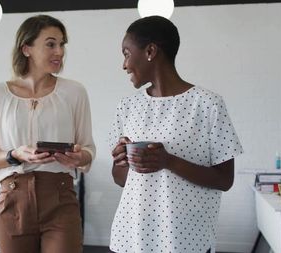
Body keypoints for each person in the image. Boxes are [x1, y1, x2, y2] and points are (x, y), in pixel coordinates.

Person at [109, 16, 243, 253]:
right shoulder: (127, 107)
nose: (124, 65)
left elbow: (225, 180)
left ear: (150, 51)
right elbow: (121, 179)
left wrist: (168, 161)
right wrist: (122, 161)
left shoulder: (207, 105)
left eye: (127, 53)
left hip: (186, 240)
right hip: (133, 237)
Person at [0, 15, 95, 253]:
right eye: (51, 44)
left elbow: (88, 148)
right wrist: (14, 154)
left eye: (62, 44)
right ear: (26, 48)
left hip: (60, 197)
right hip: (12, 199)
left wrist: (80, 157)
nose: (59, 51)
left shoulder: (75, 92)